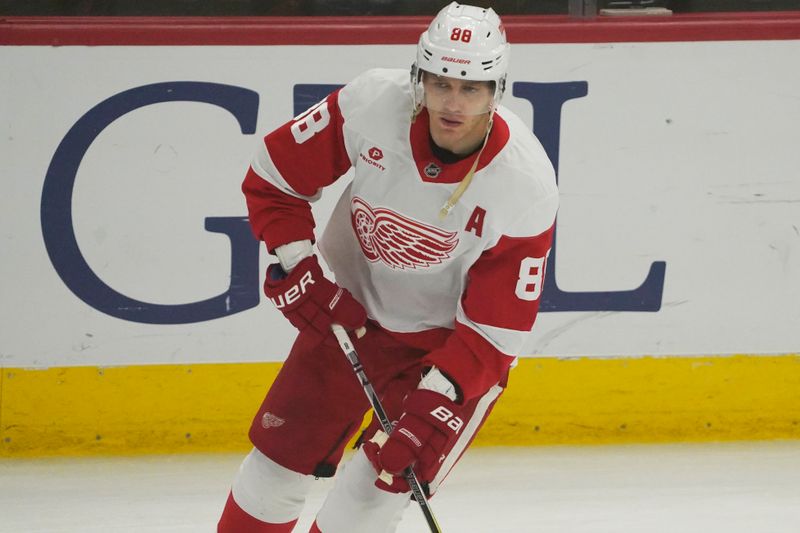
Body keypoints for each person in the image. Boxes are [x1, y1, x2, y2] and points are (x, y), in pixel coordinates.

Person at [217, 2, 559, 531]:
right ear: (417, 78)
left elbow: (495, 333)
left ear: (497, 91)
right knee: (273, 471)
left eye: (471, 88)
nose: (453, 102)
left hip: (447, 353)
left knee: (367, 502)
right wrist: (297, 261)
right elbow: (273, 176)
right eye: (441, 82)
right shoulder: (373, 103)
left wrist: (436, 401)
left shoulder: (525, 184)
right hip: (347, 318)